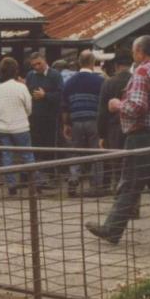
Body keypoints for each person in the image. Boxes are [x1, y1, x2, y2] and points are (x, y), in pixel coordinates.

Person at [86, 35, 150, 251]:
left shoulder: (142, 71)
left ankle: (112, 228)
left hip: (142, 136)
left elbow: (137, 106)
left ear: (139, 52)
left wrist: (118, 104)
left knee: (129, 185)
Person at [0, 57, 43, 196]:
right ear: (16, 71)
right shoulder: (21, 87)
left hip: (3, 126)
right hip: (20, 126)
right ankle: (36, 184)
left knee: (7, 155)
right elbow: (29, 107)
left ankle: (11, 186)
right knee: (27, 155)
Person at [62, 50, 104, 197]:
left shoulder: (70, 82)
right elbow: (103, 104)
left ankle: (74, 178)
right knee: (96, 153)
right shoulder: (100, 81)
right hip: (94, 121)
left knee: (76, 152)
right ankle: (96, 186)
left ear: (79, 62)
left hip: (76, 121)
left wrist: (66, 124)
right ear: (93, 63)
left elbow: (65, 105)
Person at [97, 49, 132, 192]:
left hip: (114, 129)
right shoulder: (136, 80)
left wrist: (102, 135)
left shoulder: (108, 83)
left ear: (116, 65)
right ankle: (132, 202)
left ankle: (119, 198)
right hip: (132, 128)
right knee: (131, 165)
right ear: (131, 64)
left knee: (117, 165)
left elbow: (102, 112)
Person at [25, 52, 63, 180]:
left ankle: (52, 176)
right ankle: (37, 177)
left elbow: (61, 95)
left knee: (50, 148)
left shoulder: (55, 75)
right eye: (33, 65)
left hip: (50, 118)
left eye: (38, 63)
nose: (36, 67)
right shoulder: (30, 76)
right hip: (34, 118)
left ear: (45, 61)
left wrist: (45, 96)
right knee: (36, 148)